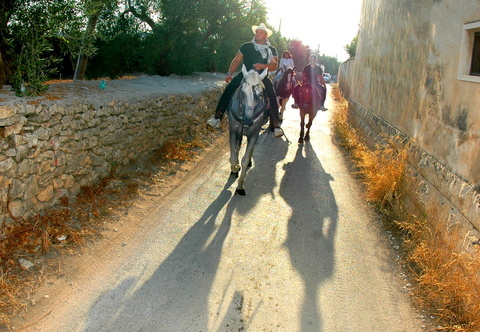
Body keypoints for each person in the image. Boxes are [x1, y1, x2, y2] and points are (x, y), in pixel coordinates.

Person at [206, 23, 284, 138]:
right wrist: (229, 73)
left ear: (266, 35)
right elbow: (237, 60)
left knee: (272, 95)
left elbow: (274, 66)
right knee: (230, 88)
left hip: (261, 76)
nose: (257, 34)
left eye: (260, 32)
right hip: (245, 74)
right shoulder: (246, 46)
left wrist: (262, 66)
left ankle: (275, 125)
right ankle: (217, 116)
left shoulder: (272, 50)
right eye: (257, 32)